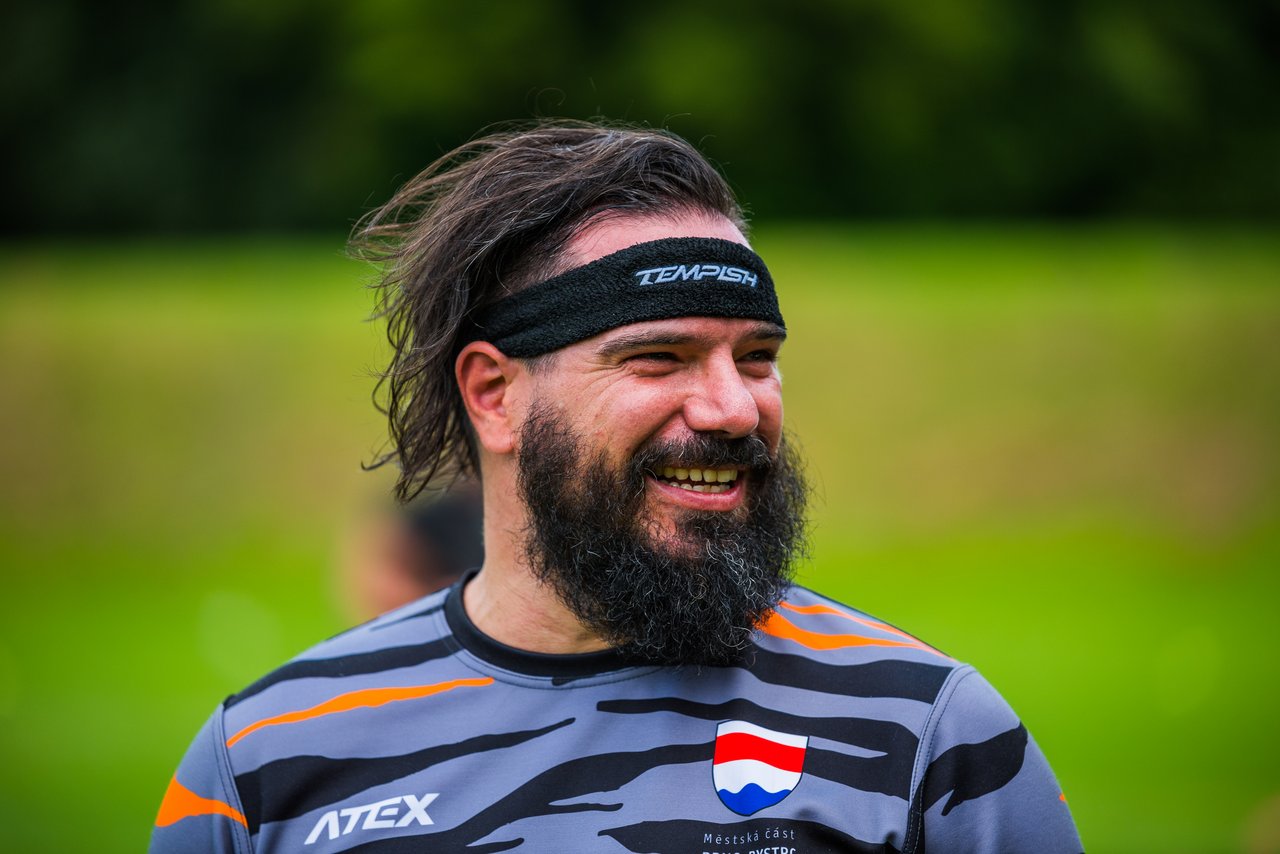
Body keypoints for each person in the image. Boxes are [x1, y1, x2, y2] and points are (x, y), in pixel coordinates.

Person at [151, 121, 1082, 853]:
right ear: (494, 395)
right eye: (658, 357)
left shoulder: (928, 737)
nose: (733, 409)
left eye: (757, 357)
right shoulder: (266, 765)